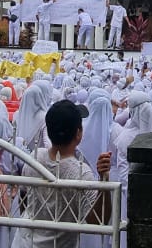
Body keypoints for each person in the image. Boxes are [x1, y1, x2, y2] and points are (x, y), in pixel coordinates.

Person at [11, 100, 112, 248]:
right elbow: (98, 221)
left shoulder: (34, 158)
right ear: (78, 133)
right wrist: (104, 182)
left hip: (24, 242)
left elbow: (23, 200)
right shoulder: (81, 173)